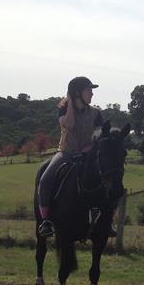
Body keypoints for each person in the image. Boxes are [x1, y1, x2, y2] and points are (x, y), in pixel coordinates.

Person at [37, 76, 105, 238]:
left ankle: (106, 222)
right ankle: (46, 221)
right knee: (45, 179)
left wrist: (89, 147)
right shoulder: (62, 109)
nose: (92, 94)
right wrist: (70, 105)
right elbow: (69, 124)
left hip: (88, 156)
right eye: (88, 90)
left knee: (108, 181)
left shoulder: (96, 113)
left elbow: (99, 135)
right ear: (76, 93)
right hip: (66, 153)